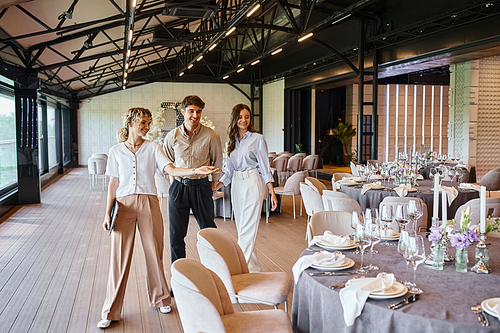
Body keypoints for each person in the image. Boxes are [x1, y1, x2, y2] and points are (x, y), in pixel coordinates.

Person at [98, 107, 218, 329]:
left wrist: (195, 171)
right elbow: (113, 183)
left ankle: (161, 298)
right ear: (131, 123)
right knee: (119, 260)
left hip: (149, 204)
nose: (146, 127)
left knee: (154, 253)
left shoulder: (153, 147)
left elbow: (171, 169)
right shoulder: (115, 151)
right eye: (143, 123)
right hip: (123, 205)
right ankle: (110, 310)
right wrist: (107, 213)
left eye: (148, 123)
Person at [215, 103, 277, 272]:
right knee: (243, 228)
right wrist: (217, 185)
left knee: (247, 231)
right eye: (240, 117)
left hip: (252, 182)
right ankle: (253, 268)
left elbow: (265, 168)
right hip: (236, 184)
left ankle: (236, 269)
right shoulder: (231, 142)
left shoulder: (258, 139)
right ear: (235, 118)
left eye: (247, 116)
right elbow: (229, 171)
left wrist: (272, 191)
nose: (244, 120)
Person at [164, 95, 223, 263]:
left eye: (198, 112)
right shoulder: (172, 136)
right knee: (176, 235)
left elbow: (217, 161)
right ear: (183, 112)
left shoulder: (211, 136)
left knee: (209, 232)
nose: (195, 116)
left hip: (201, 187)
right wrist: (174, 183)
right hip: (178, 188)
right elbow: (168, 164)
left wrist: (214, 183)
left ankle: (215, 271)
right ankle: (179, 277)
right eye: (191, 111)